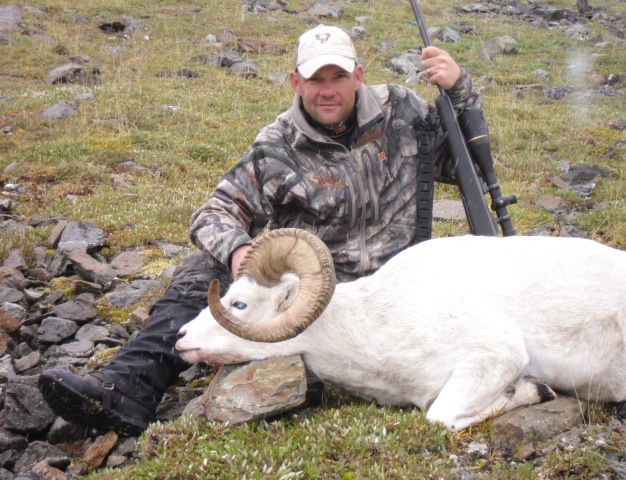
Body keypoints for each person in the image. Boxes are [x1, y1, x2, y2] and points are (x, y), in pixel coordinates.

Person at [39, 24, 485, 435]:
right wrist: (239, 253)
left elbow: (469, 166)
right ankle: (127, 387)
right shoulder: (277, 145)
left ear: (358, 76)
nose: (327, 90)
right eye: (315, 79)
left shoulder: (404, 112)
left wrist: (459, 90)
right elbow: (215, 212)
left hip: (399, 295)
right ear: (296, 82)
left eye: (338, 77)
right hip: (312, 300)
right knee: (203, 269)